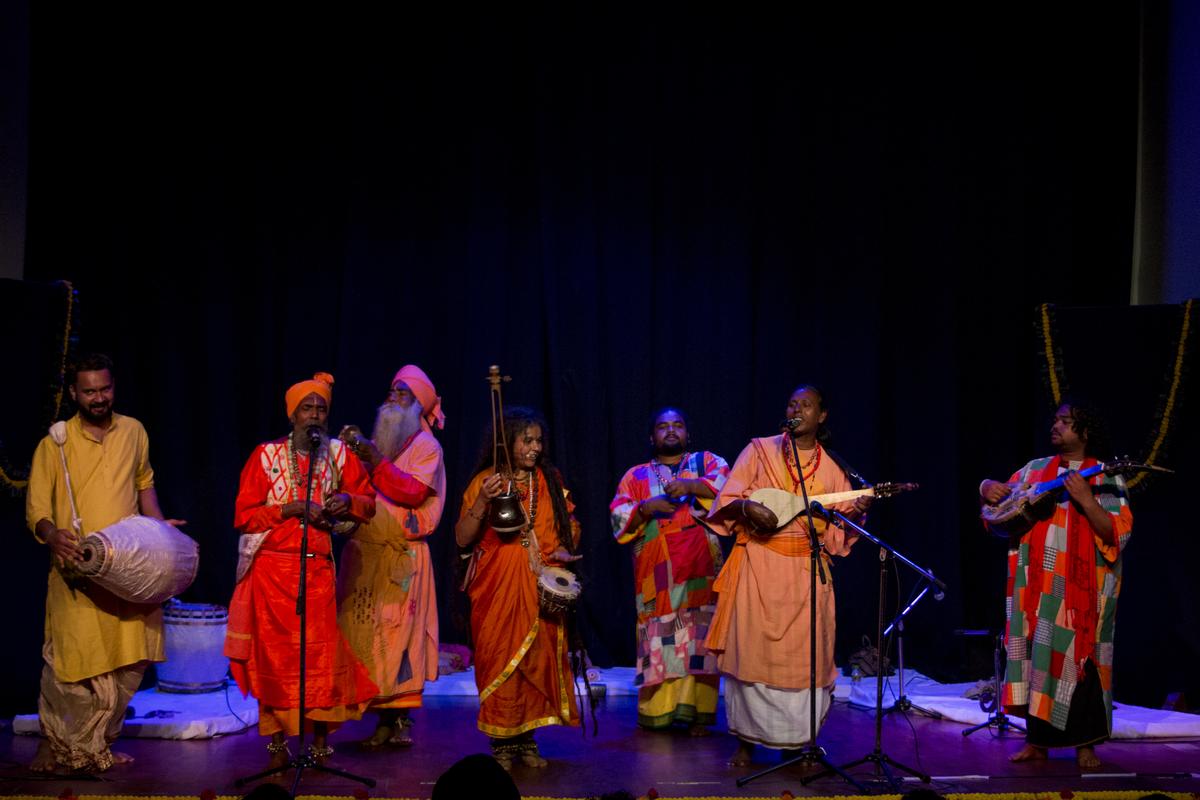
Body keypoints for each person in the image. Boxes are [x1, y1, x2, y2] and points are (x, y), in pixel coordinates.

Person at [25, 353, 182, 774]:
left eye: (105, 388)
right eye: (90, 391)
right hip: (78, 571)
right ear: (74, 393)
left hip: (133, 572)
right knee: (72, 664)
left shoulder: (133, 431)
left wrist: (161, 530)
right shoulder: (54, 444)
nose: (99, 397)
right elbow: (38, 507)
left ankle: (99, 743)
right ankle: (59, 747)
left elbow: (144, 485)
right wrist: (51, 534)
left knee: (131, 659)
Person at [704, 385, 868, 765]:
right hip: (759, 566)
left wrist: (857, 512)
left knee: (805, 659)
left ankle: (796, 745)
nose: (797, 409)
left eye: (806, 405)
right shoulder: (758, 449)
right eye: (792, 403)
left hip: (806, 575)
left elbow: (839, 533)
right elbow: (726, 500)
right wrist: (747, 505)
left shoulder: (833, 467)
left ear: (821, 416)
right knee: (751, 655)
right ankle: (745, 742)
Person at [224, 372, 378, 769]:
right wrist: (290, 509)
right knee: (276, 661)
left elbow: (367, 500)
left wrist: (347, 499)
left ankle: (321, 743)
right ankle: (277, 744)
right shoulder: (265, 456)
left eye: (321, 408)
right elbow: (245, 516)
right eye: (306, 408)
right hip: (272, 575)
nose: (314, 415)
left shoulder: (340, 455)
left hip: (318, 573)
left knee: (321, 661)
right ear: (292, 415)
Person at [980, 400, 1132, 769]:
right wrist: (987, 487)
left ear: (1085, 432)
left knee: (1083, 662)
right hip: (1037, 588)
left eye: (1066, 422)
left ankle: (1086, 745)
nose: (1056, 426)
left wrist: (1085, 499)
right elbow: (999, 508)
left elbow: (1117, 532)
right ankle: (1038, 743)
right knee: (1038, 662)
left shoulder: (1106, 477)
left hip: (1085, 594)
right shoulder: (1034, 471)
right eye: (1055, 420)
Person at [455, 406, 582, 769]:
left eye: (538, 441)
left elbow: (567, 526)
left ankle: (527, 740)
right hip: (497, 588)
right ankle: (502, 742)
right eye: (526, 440)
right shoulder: (486, 480)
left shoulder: (549, 481)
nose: (535, 448)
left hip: (538, 585)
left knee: (535, 660)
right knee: (501, 661)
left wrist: (561, 551)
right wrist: (482, 499)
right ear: (507, 442)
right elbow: (463, 538)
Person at [337, 365, 447, 749]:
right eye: (391, 391)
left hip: (403, 558)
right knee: (366, 634)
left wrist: (374, 460)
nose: (392, 398)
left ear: (418, 405)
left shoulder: (427, 447)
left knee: (399, 638)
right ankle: (374, 714)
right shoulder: (380, 444)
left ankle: (396, 717)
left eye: (402, 394)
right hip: (366, 554)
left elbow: (413, 493)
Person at [609, 407, 729, 734]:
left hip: (702, 565)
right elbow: (618, 519)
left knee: (699, 639)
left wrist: (691, 487)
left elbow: (731, 487)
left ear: (687, 433)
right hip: (657, 572)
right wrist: (646, 507)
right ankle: (659, 712)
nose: (671, 431)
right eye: (663, 427)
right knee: (660, 637)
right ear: (652, 437)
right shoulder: (635, 476)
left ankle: (697, 715)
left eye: (678, 425)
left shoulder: (705, 462)